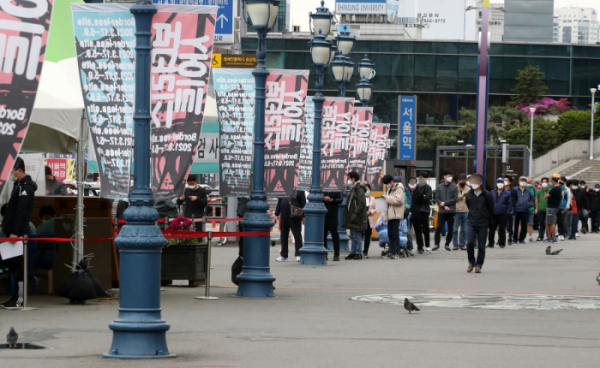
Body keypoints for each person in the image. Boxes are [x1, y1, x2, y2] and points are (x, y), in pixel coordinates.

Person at [1, 157, 37, 309]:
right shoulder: (17, 186)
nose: (11, 174)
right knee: (13, 267)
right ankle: (15, 296)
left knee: (19, 268)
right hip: (11, 233)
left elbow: (21, 212)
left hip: (19, 234)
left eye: (12, 171)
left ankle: (20, 299)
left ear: (20, 170)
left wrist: (15, 232)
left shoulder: (25, 188)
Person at [464, 173, 494, 273]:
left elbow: (490, 208)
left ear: (480, 183)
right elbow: (469, 206)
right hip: (471, 221)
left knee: (481, 245)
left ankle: (479, 265)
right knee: (470, 243)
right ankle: (471, 262)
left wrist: (488, 219)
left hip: (483, 222)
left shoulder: (487, 194)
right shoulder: (469, 194)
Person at [342, 172, 369, 260]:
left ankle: (358, 252)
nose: (348, 180)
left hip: (357, 217)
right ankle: (353, 252)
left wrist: (354, 214)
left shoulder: (359, 189)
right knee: (353, 235)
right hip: (353, 215)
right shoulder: (355, 189)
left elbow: (361, 204)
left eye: (349, 178)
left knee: (357, 235)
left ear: (353, 179)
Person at [275, 191, 306, 262]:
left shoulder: (300, 190)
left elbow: (303, 203)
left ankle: (298, 254)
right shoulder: (284, 189)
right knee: (283, 235)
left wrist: (303, 216)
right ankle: (284, 255)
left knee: (297, 235)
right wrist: (276, 214)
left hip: (294, 216)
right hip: (284, 215)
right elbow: (279, 202)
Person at [380, 175, 405, 259]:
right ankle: (391, 251)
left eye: (387, 183)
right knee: (390, 234)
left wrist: (387, 198)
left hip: (396, 214)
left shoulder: (399, 188)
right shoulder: (390, 189)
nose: (387, 185)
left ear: (392, 181)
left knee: (395, 234)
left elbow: (399, 201)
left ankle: (396, 251)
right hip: (390, 214)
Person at [434, 170, 458, 251]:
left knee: (451, 229)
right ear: (444, 176)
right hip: (442, 211)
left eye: (451, 176)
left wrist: (445, 203)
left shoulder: (454, 187)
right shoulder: (439, 187)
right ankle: (436, 244)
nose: (450, 177)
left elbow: (455, 199)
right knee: (438, 227)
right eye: (448, 176)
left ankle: (447, 244)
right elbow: (437, 198)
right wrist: (443, 205)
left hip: (451, 211)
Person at [410, 171, 433, 254]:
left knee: (426, 229)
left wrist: (422, 197)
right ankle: (420, 247)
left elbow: (427, 198)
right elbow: (414, 198)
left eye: (424, 178)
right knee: (417, 229)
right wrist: (422, 196)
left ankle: (427, 246)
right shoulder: (416, 187)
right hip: (416, 211)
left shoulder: (428, 187)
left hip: (425, 210)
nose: (423, 179)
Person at [488, 177, 511, 248]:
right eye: (498, 182)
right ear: (496, 183)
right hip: (493, 214)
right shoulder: (492, 192)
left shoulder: (507, 193)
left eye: (501, 182)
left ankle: (502, 243)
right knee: (492, 229)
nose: (500, 184)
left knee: (502, 229)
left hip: (503, 213)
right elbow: (489, 202)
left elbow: (509, 204)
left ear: (504, 184)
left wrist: (507, 213)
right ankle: (490, 243)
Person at [511, 176, 533, 244]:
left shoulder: (528, 191)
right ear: (519, 181)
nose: (522, 182)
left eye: (524, 181)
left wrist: (528, 204)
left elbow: (531, 199)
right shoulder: (515, 189)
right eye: (521, 180)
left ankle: (522, 239)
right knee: (515, 225)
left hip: (525, 210)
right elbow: (512, 198)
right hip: (516, 210)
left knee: (524, 226)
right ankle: (514, 239)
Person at [323, 190, 343, 261]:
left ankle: (336, 254)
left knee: (334, 235)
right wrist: (324, 198)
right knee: (323, 235)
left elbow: (340, 200)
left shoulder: (336, 189)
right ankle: (324, 254)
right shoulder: (323, 188)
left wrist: (331, 199)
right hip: (323, 214)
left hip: (332, 215)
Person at [453, 174, 470, 251]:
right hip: (456, 210)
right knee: (455, 229)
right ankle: (455, 244)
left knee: (465, 229)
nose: (463, 182)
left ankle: (463, 244)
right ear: (458, 181)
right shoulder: (454, 188)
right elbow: (451, 199)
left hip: (466, 210)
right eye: (462, 180)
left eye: (464, 180)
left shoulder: (468, 189)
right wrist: (459, 197)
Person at [545, 176, 563, 243]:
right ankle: (551, 237)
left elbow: (546, 196)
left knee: (550, 223)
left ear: (553, 181)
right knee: (551, 222)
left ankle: (551, 237)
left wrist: (547, 194)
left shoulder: (554, 189)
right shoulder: (559, 188)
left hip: (551, 207)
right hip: (556, 206)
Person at [534, 177, 551, 241]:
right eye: (543, 182)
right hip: (541, 210)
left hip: (548, 209)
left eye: (545, 182)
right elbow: (536, 200)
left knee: (548, 224)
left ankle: (548, 236)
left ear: (548, 183)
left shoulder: (550, 191)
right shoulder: (538, 191)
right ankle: (540, 236)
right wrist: (536, 208)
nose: (544, 183)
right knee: (541, 224)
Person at [363, 184, 377, 259]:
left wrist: (370, 212)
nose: (367, 191)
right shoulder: (361, 198)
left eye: (368, 189)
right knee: (359, 235)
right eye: (365, 189)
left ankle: (365, 251)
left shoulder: (373, 199)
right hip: (361, 219)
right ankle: (358, 250)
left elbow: (376, 209)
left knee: (367, 236)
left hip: (369, 219)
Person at [504, 175, 516, 244]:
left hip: (510, 210)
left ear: (510, 182)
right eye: (504, 180)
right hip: (502, 210)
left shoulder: (513, 191)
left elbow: (515, 200)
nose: (505, 181)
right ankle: (500, 238)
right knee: (502, 226)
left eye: (506, 180)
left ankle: (510, 238)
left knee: (510, 226)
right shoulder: (500, 189)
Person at [526, 176, 536, 242]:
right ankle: (520, 237)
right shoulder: (523, 188)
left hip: (531, 208)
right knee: (521, 223)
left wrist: (536, 208)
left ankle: (530, 236)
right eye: (528, 181)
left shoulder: (533, 189)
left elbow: (535, 198)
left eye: (530, 181)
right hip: (523, 208)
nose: (529, 182)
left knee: (530, 223)